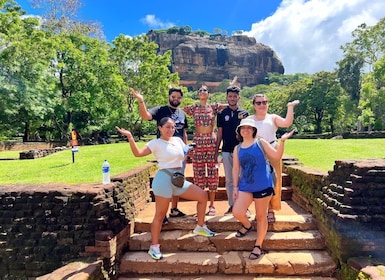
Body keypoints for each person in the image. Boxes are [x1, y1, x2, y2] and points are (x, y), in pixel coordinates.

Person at [116, 117, 215, 260]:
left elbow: (183, 155)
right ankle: (154, 246)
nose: (171, 130)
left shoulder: (178, 140)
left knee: (202, 196)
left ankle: (200, 225)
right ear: (160, 128)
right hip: (163, 179)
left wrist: (189, 154)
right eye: (167, 127)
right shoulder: (155, 143)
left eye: (173, 127)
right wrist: (130, 137)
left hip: (178, 179)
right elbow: (138, 153)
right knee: (160, 215)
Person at [231, 118, 294, 260]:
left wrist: (282, 141)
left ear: (253, 130)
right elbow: (235, 169)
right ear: (239, 131)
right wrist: (235, 187)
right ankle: (247, 225)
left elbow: (276, 156)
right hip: (246, 186)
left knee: (261, 216)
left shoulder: (261, 143)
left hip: (263, 185)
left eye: (249, 127)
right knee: (237, 211)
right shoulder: (238, 148)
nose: (246, 130)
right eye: (243, 128)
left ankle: (258, 245)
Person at [130, 87, 188, 222]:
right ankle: (163, 214)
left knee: (178, 180)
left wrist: (185, 149)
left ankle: (174, 209)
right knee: (165, 182)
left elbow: (183, 132)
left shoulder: (182, 113)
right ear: (169, 97)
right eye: (173, 97)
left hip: (178, 150)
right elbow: (146, 116)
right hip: (165, 151)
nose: (176, 99)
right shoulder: (161, 110)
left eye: (178, 97)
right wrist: (141, 101)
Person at [247, 94, 300, 223]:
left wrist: (290, 107)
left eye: (264, 102)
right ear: (254, 105)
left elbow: (287, 123)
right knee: (257, 183)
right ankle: (260, 211)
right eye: (259, 103)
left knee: (273, 182)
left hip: (272, 150)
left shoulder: (272, 118)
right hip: (256, 153)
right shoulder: (249, 120)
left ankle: (270, 209)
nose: (262, 105)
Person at [183, 85, 224, 216]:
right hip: (198, 141)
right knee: (198, 174)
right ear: (197, 94)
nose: (202, 92)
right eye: (200, 90)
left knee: (213, 173)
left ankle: (212, 205)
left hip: (211, 141)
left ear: (208, 94)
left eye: (205, 90)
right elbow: (177, 110)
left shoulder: (213, 107)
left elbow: (229, 105)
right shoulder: (193, 108)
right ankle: (201, 204)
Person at [215, 84, 249, 215]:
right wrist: (216, 150)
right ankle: (232, 204)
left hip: (242, 150)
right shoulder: (222, 114)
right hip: (227, 149)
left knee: (242, 178)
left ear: (238, 97)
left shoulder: (244, 114)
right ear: (227, 97)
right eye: (230, 96)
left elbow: (249, 132)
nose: (232, 98)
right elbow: (219, 133)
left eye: (235, 96)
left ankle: (243, 206)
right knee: (229, 179)